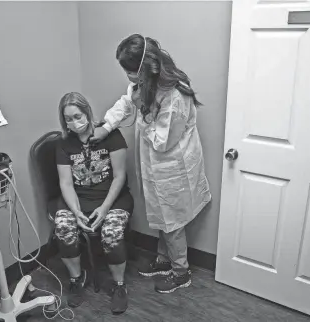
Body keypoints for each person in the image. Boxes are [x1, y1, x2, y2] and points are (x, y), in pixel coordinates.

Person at [90, 34, 211, 294]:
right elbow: (125, 103)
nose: (128, 78)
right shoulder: (145, 85)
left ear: (147, 68)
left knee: (173, 222)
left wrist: (142, 111)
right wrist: (106, 125)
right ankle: (164, 260)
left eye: (131, 72)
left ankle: (181, 271)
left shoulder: (175, 96)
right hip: (155, 168)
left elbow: (162, 142)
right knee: (161, 217)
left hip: (173, 170)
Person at [54, 92, 134, 314]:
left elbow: (119, 177)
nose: (73, 123)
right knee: (63, 226)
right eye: (68, 119)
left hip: (112, 198)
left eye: (77, 116)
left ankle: (119, 285)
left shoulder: (111, 135)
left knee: (111, 231)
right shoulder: (63, 143)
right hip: (78, 199)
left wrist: (105, 208)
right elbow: (66, 183)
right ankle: (76, 279)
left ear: (87, 112)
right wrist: (76, 211)